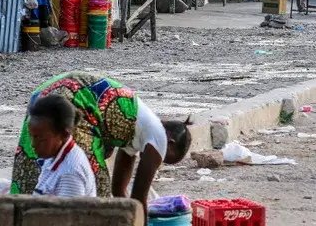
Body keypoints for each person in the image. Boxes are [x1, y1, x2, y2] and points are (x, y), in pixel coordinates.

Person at [12, 72, 193, 210]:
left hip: (54, 91)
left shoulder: (136, 130)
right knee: (100, 201)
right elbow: (138, 199)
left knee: (38, 168)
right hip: (73, 100)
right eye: (164, 159)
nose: (157, 162)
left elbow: (119, 192)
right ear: (171, 142)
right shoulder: (159, 136)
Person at [28, 95, 97, 198]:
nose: (33, 144)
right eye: (32, 137)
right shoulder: (54, 156)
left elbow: (67, 213)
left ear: (64, 134)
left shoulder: (69, 173)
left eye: (40, 139)